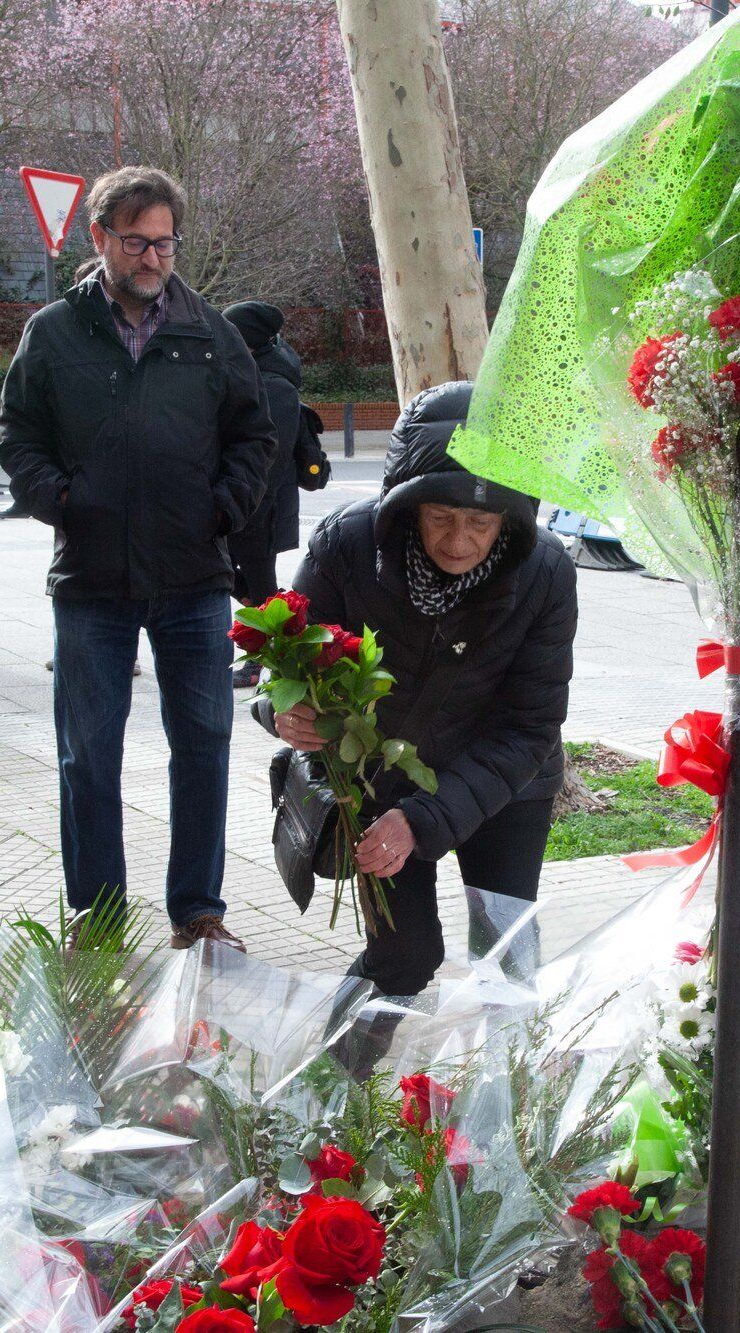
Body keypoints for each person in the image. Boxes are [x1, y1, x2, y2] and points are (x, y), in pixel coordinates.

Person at [0, 165, 275, 953]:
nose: (152, 258)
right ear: (100, 239)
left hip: (193, 581)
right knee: (89, 752)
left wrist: (225, 507)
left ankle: (197, 909)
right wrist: (65, 500)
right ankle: (100, 915)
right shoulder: (53, 333)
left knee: (204, 745)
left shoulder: (210, 334)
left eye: (164, 243)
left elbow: (255, 435)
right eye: (136, 242)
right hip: (91, 583)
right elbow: (17, 436)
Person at [266, 382, 578, 998]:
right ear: (410, 507)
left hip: (505, 785)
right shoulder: (348, 546)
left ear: (508, 521)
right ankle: (333, 1089)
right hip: (382, 782)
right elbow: (286, 661)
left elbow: (529, 729)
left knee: (506, 958)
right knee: (402, 956)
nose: (458, 541)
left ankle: (506, 1092)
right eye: (441, 517)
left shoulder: (545, 572)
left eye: (480, 522)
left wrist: (427, 818)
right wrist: (284, 711)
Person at [220, 300, 305, 689]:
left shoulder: (276, 385)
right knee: (243, 583)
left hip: (259, 509)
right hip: (241, 504)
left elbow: (270, 456)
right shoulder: (251, 372)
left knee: (259, 587)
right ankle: (282, 646)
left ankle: (275, 654)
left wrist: (243, 503)